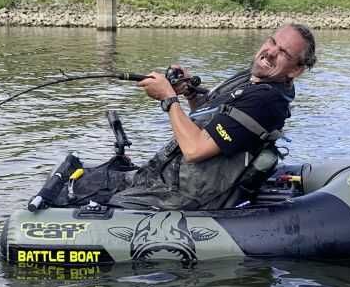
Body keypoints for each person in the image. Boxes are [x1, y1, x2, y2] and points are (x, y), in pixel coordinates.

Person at [104, 23, 317, 210]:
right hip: (166, 177)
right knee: (92, 179)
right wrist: (189, 92)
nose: (271, 52)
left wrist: (169, 99)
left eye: (284, 53)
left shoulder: (266, 101)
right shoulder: (252, 79)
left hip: (183, 194)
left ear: (295, 71)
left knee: (101, 201)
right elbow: (210, 121)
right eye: (272, 42)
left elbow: (195, 149)